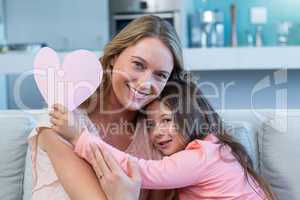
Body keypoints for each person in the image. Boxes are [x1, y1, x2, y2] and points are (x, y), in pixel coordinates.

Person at [34, 15, 184, 200]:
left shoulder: (157, 136)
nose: (146, 83)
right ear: (114, 57)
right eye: (138, 65)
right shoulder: (61, 122)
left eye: (160, 75)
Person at [50, 79, 277, 200]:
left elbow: (140, 171)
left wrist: (80, 137)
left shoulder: (203, 155)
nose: (157, 132)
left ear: (193, 116)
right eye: (150, 124)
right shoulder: (215, 149)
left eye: (167, 120)